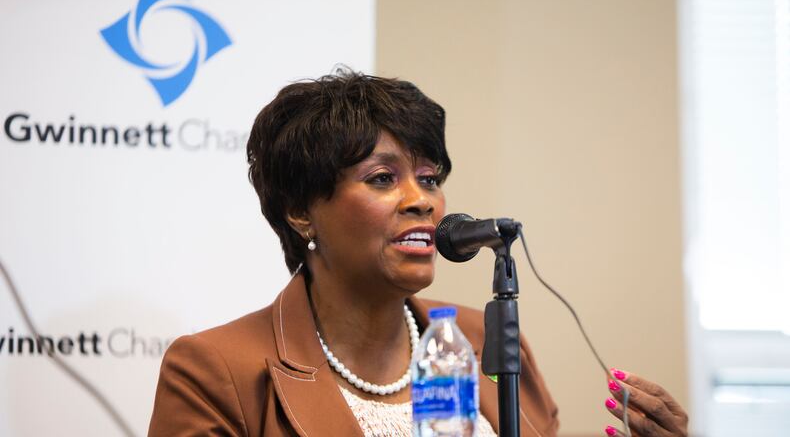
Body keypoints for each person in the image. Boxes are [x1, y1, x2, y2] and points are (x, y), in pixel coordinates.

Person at [148, 71, 689, 436]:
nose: (422, 201)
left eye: (429, 178)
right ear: (300, 210)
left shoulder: (487, 341)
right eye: (383, 178)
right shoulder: (214, 370)